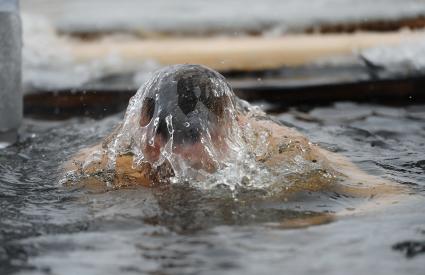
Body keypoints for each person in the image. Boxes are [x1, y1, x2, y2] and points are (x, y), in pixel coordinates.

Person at [65, 64, 405, 210]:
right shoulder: (108, 164)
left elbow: (387, 193)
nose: (181, 158)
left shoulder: (278, 146)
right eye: (169, 148)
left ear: (233, 125)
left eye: (198, 145)